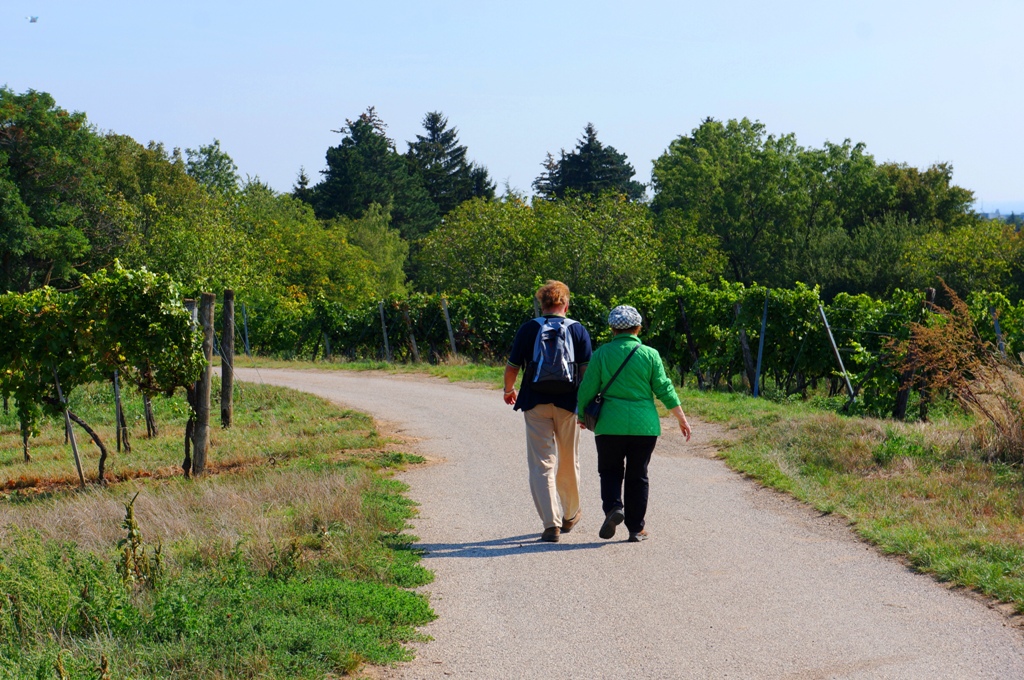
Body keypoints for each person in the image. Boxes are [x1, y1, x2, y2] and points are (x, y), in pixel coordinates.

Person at [576, 304, 691, 543]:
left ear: (612, 329)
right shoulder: (650, 354)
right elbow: (664, 388)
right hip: (644, 427)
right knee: (638, 475)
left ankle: (613, 508)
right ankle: (636, 528)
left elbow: (587, 388)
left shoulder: (601, 354)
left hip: (609, 425)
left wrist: (581, 416)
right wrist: (681, 417)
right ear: (638, 328)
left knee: (609, 471)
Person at [504, 280, 593, 543]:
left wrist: (509, 389)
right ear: (565, 304)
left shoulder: (528, 329)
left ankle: (550, 525)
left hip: (535, 403)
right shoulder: (578, 329)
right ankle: (570, 514)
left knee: (542, 463)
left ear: (541, 304)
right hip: (568, 404)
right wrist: (585, 405)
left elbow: (512, 366)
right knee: (569, 460)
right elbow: (586, 372)